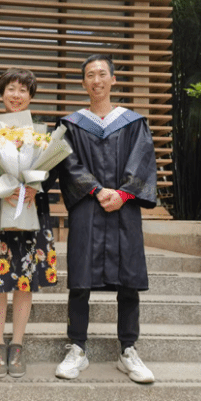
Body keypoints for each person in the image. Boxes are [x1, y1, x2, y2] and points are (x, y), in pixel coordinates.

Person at [55, 54, 157, 383]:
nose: (96, 80)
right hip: (87, 206)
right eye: (90, 75)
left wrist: (124, 194)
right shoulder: (71, 125)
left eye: (102, 74)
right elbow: (67, 164)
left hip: (124, 209)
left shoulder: (133, 123)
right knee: (80, 281)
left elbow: (142, 160)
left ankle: (128, 350)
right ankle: (77, 348)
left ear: (113, 79)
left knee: (129, 281)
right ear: (83, 83)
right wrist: (97, 190)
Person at [0, 68, 58, 378]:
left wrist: (35, 186)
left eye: (22, 90)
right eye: (11, 89)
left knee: (25, 279)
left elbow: (53, 168)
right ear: (1, 92)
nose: (16, 95)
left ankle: (16, 344)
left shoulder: (41, 133)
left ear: (31, 96)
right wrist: (2, 187)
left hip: (31, 210)